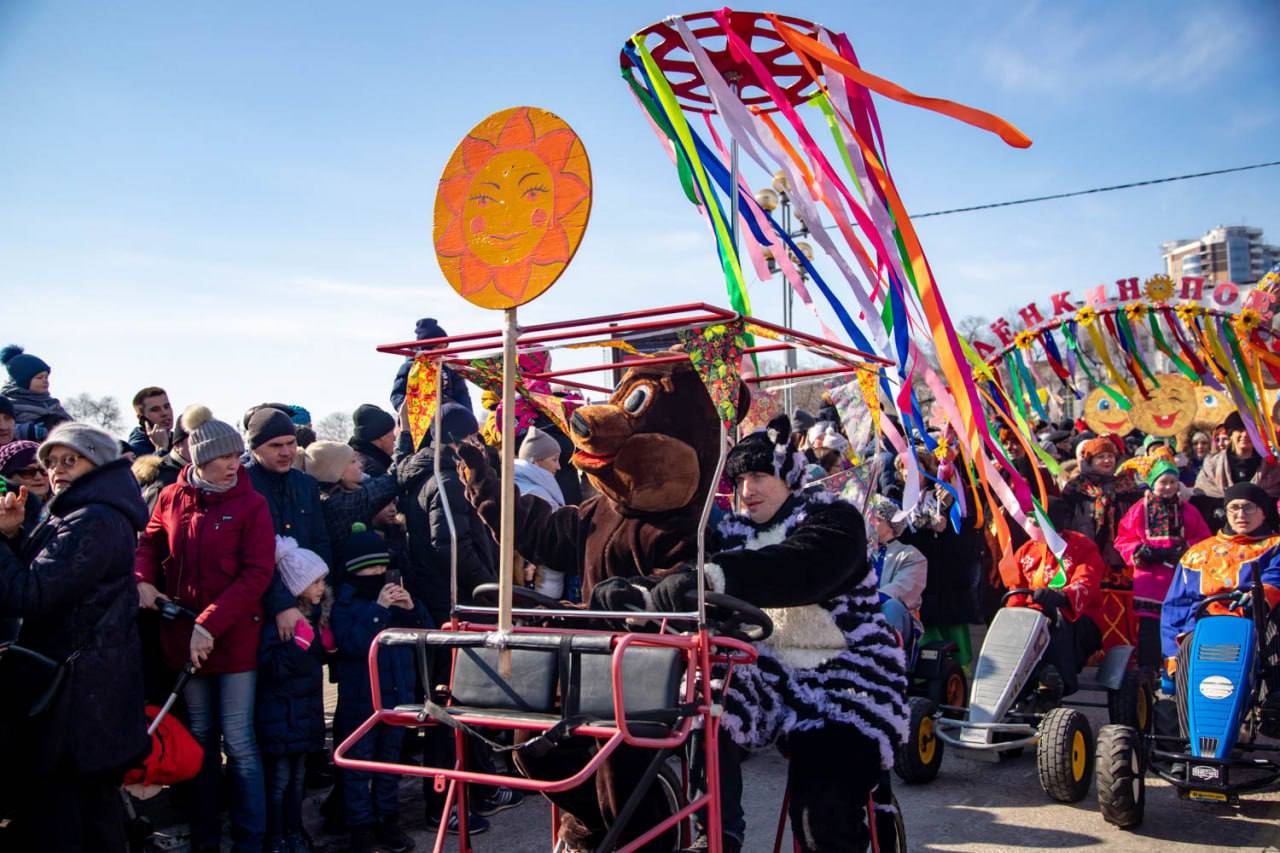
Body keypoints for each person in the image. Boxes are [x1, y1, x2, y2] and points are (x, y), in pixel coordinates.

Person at [638, 416, 908, 852]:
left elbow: (799, 567)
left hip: (845, 677)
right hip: (762, 674)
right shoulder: (729, 530)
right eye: (740, 479)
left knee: (822, 810)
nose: (748, 490)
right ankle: (718, 833)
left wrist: (714, 577)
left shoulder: (833, 518)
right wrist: (643, 590)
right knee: (700, 708)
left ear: (789, 475)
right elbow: (681, 567)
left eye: (760, 476)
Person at [0, 423, 149, 851]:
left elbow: (32, 593)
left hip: (77, 692)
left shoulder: (94, 518)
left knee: (68, 812)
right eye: (50, 462)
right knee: (90, 810)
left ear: (97, 465)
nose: (57, 470)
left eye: (71, 459)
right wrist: (13, 536)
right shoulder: (78, 512)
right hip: (82, 684)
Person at [135, 412, 276, 852]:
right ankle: (205, 836)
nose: (236, 463)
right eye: (226, 457)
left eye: (238, 455)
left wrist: (208, 623)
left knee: (238, 741)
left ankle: (252, 840)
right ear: (201, 458)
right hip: (181, 637)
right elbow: (149, 542)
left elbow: (256, 574)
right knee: (198, 737)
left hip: (233, 639)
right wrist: (142, 579)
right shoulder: (171, 497)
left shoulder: (252, 504)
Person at [332, 523, 427, 853]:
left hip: (399, 696)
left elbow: (425, 635)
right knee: (359, 767)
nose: (379, 575)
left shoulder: (398, 596)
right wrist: (379, 610)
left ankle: (389, 821)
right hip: (362, 700)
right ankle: (360, 828)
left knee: (391, 765)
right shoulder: (344, 604)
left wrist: (412, 610)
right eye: (371, 569)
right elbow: (351, 643)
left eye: (382, 567)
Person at [1161, 482, 1280, 735]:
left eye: (1248, 508)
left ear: (1263, 512)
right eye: (1234, 508)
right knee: (1187, 652)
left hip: (1255, 624)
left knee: (1273, 643)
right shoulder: (1197, 553)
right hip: (1205, 627)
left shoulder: (1275, 545)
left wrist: (1258, 595)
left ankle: (1272, 714)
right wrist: (1172, 652)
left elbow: (1275, 578)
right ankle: (1190, 743)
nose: (1240, 515)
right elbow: (1175, 607)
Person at [256, 537, 334, 853]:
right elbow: (270, 667)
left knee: (297, 782)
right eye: (315, 581)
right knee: (278, 784)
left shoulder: (315, 620)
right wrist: (302, 646)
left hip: (304, 717)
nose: (320, 587)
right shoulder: (281, 625)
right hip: (281, 717)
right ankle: (276, 837)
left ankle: (295, 832)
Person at [396, 402, 498, 625]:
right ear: (457, 440)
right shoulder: (449, 482)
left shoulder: (424, 472)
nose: (478, 444)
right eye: (473, 437)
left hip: (438, 588)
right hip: (459, 595)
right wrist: (488, 586)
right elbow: (452, 546)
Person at [1000, 497, 1105, 697]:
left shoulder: (1081, 546)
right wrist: (1012, 615)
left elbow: (1087, 581)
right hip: (1033, 619)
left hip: (1077, 618)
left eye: (1035, 519)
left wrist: (1062, 595)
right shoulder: (1026, 551)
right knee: (1009, 629)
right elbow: (1016, 588)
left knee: (1057, 624)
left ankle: (1058, 681)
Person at [1114, 460, 1211, 673]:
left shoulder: (1189, 510)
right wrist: (1139, 550)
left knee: (1179, 622)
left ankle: (1178, 665)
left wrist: (1187, 549)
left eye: (1172, 481)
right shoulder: (1139, 509)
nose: (1168, 486)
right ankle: (1147, 669)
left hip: (1179, 575)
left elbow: (1204, 539)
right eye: (1163, 482)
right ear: (1151, 483)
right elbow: (1123, 538)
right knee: (1149, 627)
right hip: (1150, 576)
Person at [245, 406, 333, 641]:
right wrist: (281, 604)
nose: (286, 452)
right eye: (275, 445)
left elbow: (320, 540)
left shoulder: (306, 484)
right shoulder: (242, 486)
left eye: (291, 443)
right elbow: (250, 558)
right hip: (260, 610)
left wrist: (315, 588)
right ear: (255, 447)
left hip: (309, 603)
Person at [302, 440, 399, 571]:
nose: (360, 465)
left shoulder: (329, 497)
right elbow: (391, 481)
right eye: (352, 461)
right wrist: (404, 438)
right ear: (337, 471)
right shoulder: (337, 504)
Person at [1061, 436, 1142, 587]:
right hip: (1085, 550)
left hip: (1119, 555)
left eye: (1110, 456)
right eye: (1101, 457)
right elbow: (1065, 519)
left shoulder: (1127, 486)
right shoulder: (1076, 487)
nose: (1107, 461)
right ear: (1089, 460)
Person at [1194, 412, 1280, 530]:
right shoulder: (1212, 465)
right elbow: (1201, 499)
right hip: (1221, 532)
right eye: (1239, 430)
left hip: (1264, 534)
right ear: (1230, 434)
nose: (1245, 434)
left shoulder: (1272, 466)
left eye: (1250, 430)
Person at [865, 494, 928, 655]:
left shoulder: (910, 555)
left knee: (891, 606)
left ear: (891, 525)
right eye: (869, 517)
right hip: (860, 612)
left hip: (895, 618)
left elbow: (902, 590)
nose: (871, 522)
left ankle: (887, 659)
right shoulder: (859, 553)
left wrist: (866, 598)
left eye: (877, 519)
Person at [514, 426, 568, 597]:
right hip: (537, 582)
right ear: (535, 461)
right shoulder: (532, 493)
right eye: (554, 460)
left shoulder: (531, 486)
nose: (558, 466)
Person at [389, 318, 472, 413]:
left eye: (445, 347)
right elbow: (397, 394)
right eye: (438, 347)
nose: (443, 351)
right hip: (420, 414)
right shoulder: (411, 367)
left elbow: (462, 394)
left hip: (447, 412)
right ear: (426, 348)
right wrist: (407, 412)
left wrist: (468, 415)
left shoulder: (449, 368)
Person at [133, 404, 199, 513]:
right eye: (195, 441)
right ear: (178, 444)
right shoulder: (164, 481)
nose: (202, 447)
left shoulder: (205, 475)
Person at [0, 345, 70, 441]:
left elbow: (72, 425)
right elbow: (4, 428)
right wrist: (28, 431)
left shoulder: (52, 403)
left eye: (46, 377)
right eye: (39, 378)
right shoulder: (9, 403)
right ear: (23, 381)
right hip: (21, 449)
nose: (45, 381)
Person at [0, 440, 47, 536]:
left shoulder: (65, 507)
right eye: (27, 472)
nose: (39, 477)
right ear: (8, 478)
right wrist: (10, 532)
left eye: (44, 470)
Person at [349, 404, 398, 478]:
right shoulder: (370, 470)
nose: (396, 439)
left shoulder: (353, 459)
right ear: (382, 437)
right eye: (393, 435)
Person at [128, 386, 175, 457]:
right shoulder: (136, 451)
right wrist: (161, 450)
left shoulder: (180, 441)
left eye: (166, 406)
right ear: (141, 418)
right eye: (155, 409)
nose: (164, 413)